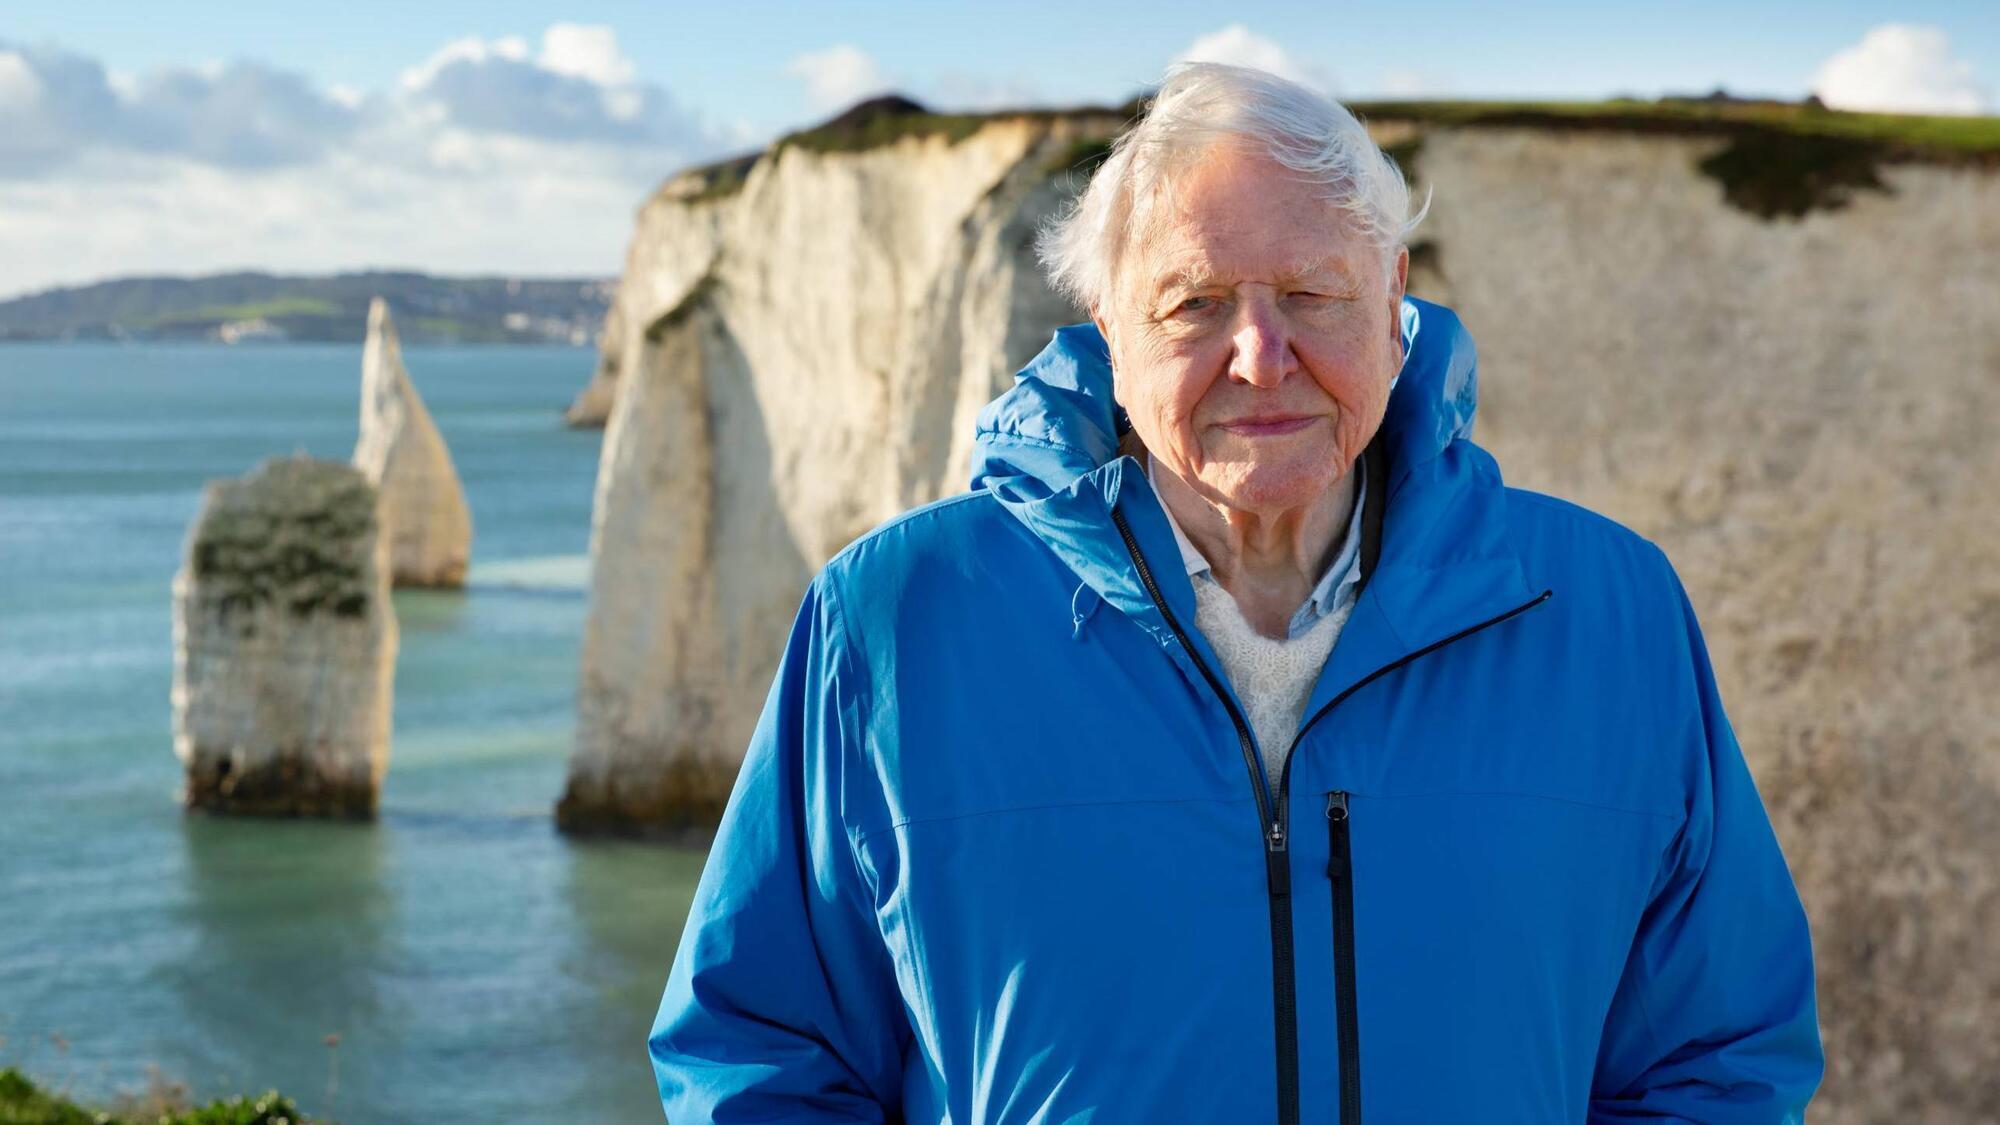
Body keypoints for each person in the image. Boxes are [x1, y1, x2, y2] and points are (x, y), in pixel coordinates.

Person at [649, 60, 1824, 1123]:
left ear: (1393, 304)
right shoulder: (896, 619)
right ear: (1109, 329)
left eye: (1311, 295)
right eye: (1194, 303)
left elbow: (1714, 1056)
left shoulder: (1607, 611)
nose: (1261, 356)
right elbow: (758, 1052)